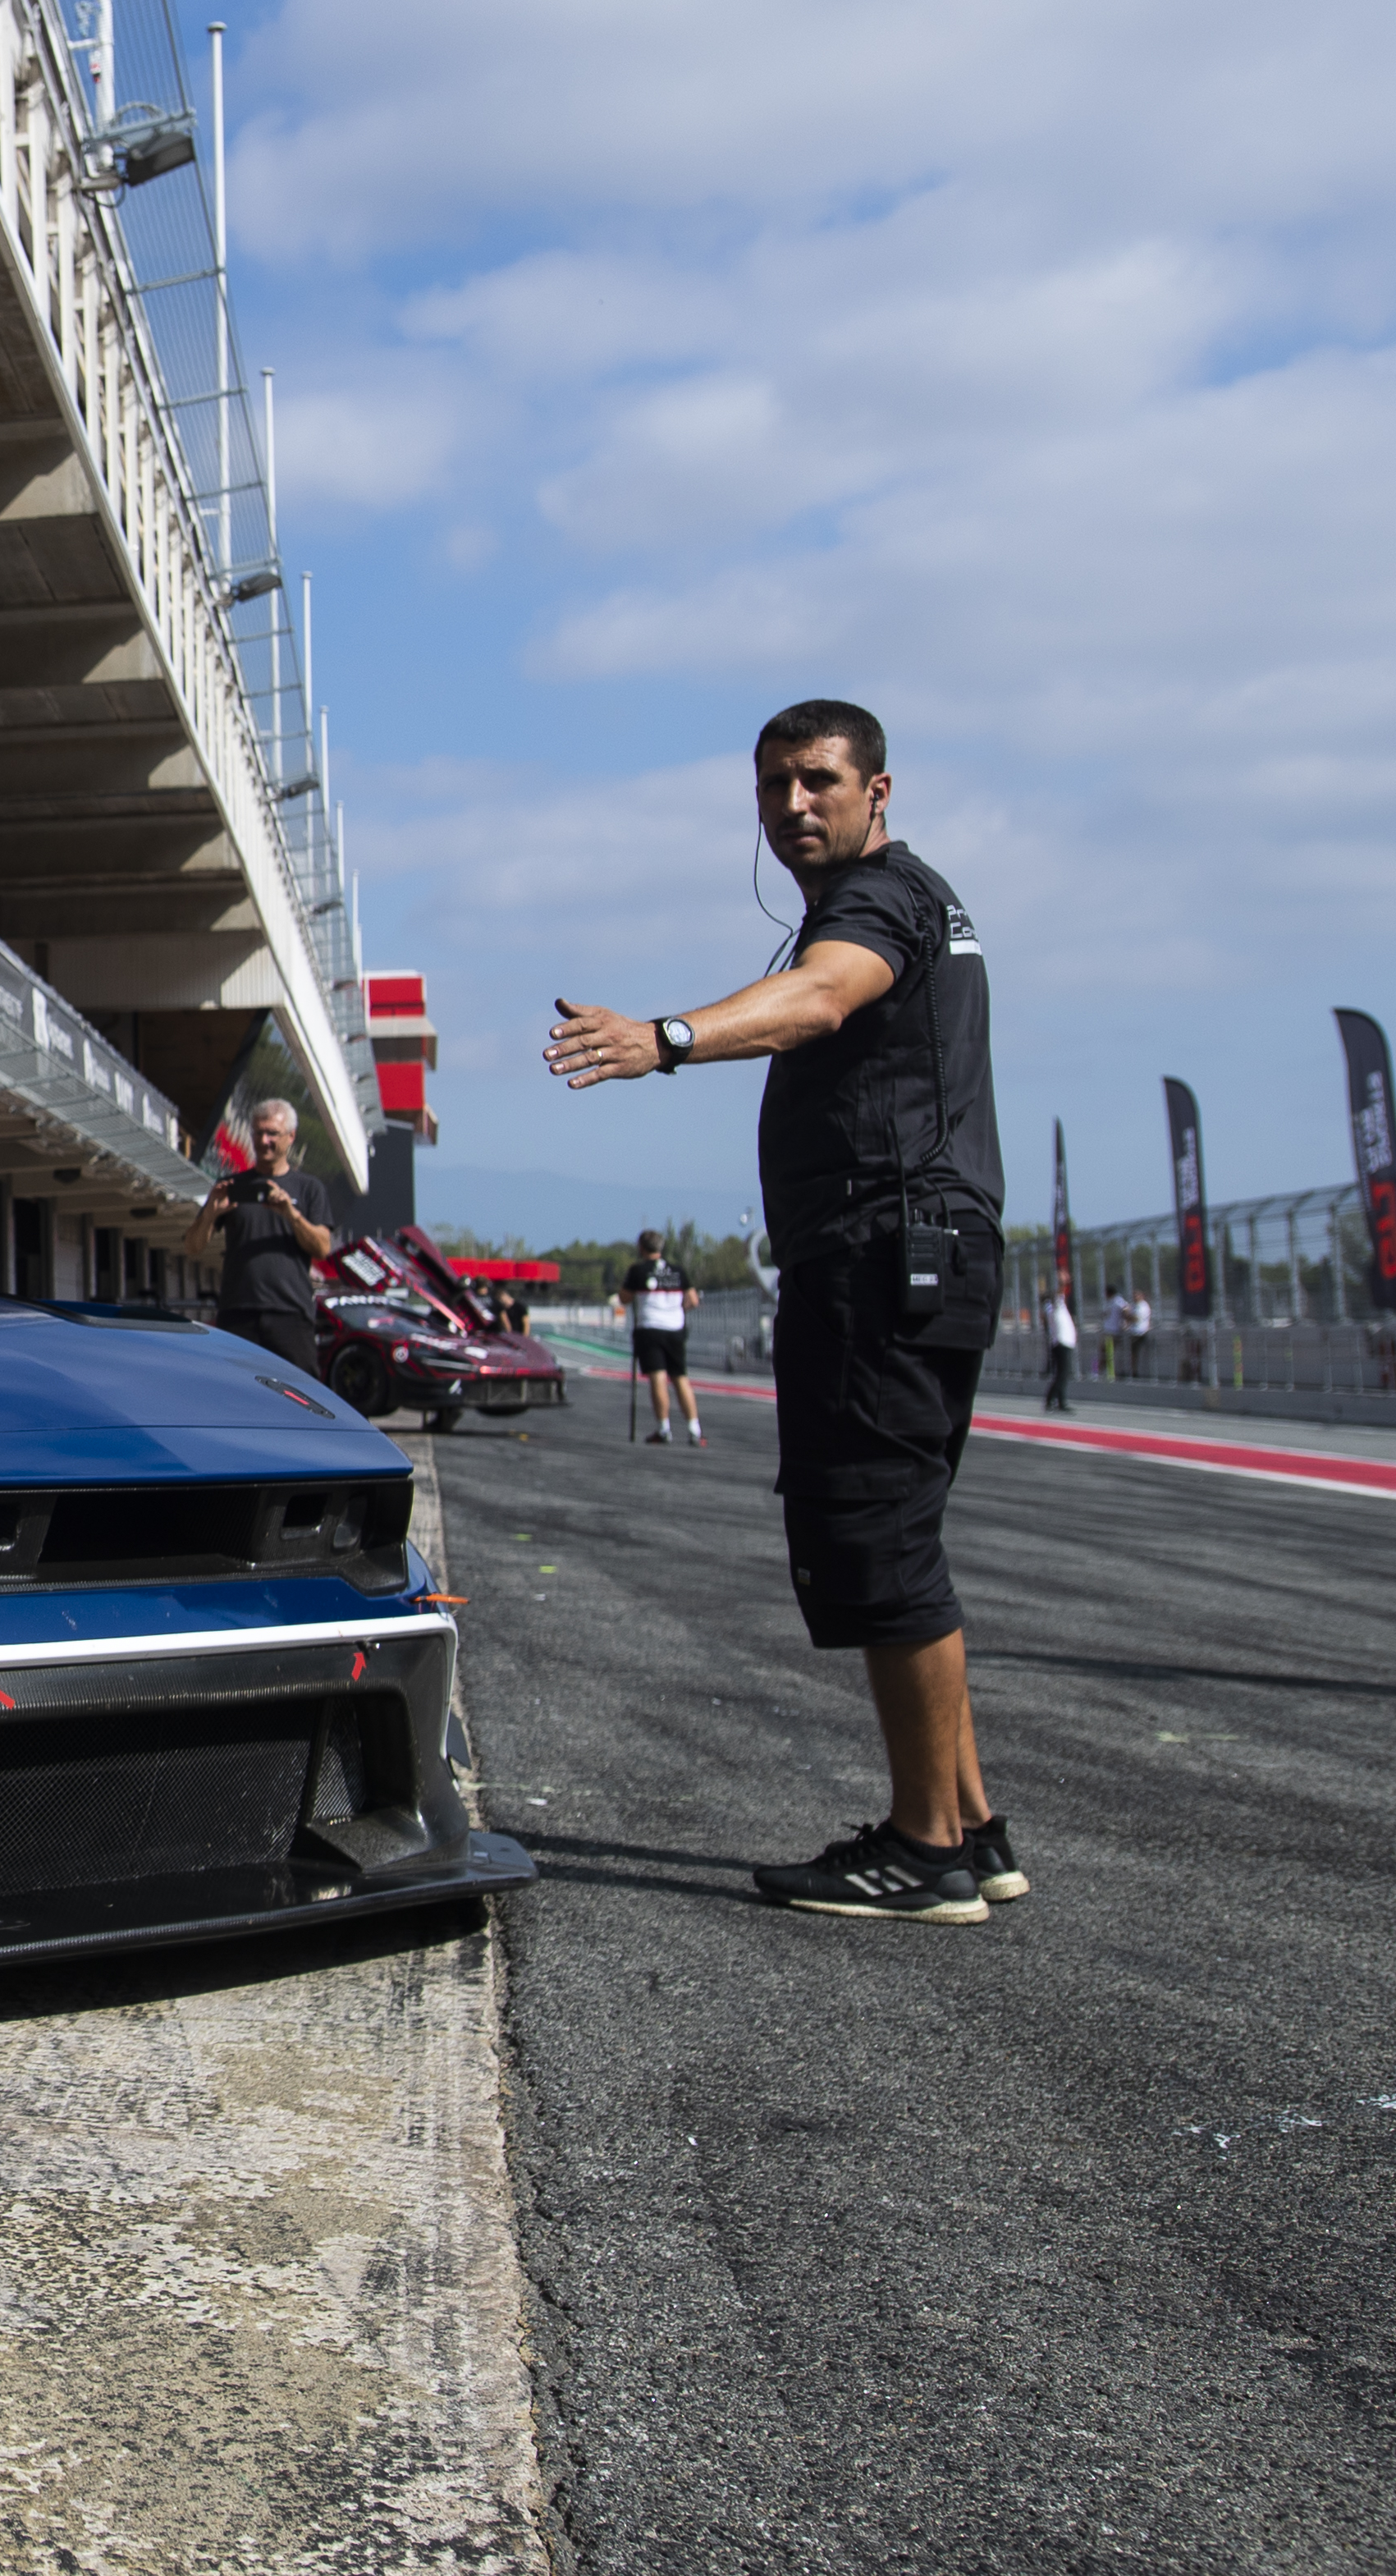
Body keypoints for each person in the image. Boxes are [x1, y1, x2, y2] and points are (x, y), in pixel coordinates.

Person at [548, 697, 1015, 1924]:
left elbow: (819, 999)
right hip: (916, 1254)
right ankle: (965, 1827)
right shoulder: (914, 896)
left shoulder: (874, 905)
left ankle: (920, 1854)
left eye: (817, 780)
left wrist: (664, 1038)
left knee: (877, 1536)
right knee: (901, 1532)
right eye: (771, 786)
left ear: (878, 790)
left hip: (881, 1257)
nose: (792, 806)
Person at [185, 1096, 338, 1376]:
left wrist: (290, 1213)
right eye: (258, 1132)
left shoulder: (308, 1189)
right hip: (238, 1313)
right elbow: (193, 1246)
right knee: (236, 1393)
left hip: (290, 1314)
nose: (264, 1140)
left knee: (301, 1398)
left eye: (273, 1134)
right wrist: (210, 1212)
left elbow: (322, 1248)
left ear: (291, 1137)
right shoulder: (231, 1186)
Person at [619, 1229, 704, 1446]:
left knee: (658, 1378)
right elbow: (693, 1300)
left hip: (650, 1328)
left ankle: (664, 1428)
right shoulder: (678, 1271)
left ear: (641, 1248)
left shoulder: (638, 1270)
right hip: (675, 1328)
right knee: (680, 1377)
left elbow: (624, 1298)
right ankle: (694, 1429)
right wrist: (677, 1310)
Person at [1041, 1287, 1078, 1413]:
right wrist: (1063, 1281)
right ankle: (1050, 1400)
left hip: (1063, 1343)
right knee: (1062, 1374)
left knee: (1062, 1374)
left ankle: (1061, 1402)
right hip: (1062, 1344)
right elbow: (1060, 1294)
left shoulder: (1054, 1309)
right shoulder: (1055, 1307)